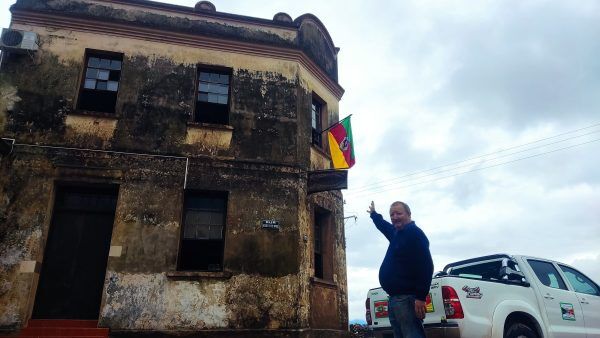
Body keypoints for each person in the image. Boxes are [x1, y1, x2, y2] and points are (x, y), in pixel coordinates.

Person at [367, 201, 433, 338]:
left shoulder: (414, 234)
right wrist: (374, 215)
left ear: (408, 214)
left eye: (399, 213)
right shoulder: (397, 233)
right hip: (395, 299)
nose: (395, 217)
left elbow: (426, 266)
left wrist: (421, 297)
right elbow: (384, 226)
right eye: (392, 214)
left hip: (407, 299)